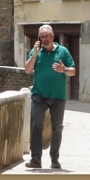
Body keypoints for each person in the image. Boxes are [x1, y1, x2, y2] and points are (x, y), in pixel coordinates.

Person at [23, 24, 75, 170]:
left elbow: (73, 71)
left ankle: (54, 159)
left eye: (47, 36)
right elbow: (27, 70)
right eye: (42, 37)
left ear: (52, 36)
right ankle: (36, 159)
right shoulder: (36, 51)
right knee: (36, 126)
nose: (45, 39)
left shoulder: (62, 51)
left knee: (57, 128)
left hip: (58, 96)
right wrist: (34, 54)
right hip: (39, 95)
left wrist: (63, 69)